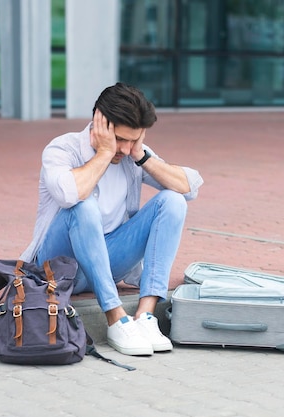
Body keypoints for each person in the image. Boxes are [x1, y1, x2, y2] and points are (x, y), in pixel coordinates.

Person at [20, 83, 203, 356]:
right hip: (58, 264)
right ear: (98, 122)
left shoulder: (132, 154)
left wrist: (142, 156)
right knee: (83, 206)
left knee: (173, 200)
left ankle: (145, 316)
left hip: (108, 261)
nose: (126, 149)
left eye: (134, 140)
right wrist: (104, 153)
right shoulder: (62, 149)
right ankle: (116, 318)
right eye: (119, 139)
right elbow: (71, 193)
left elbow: (189, 188)